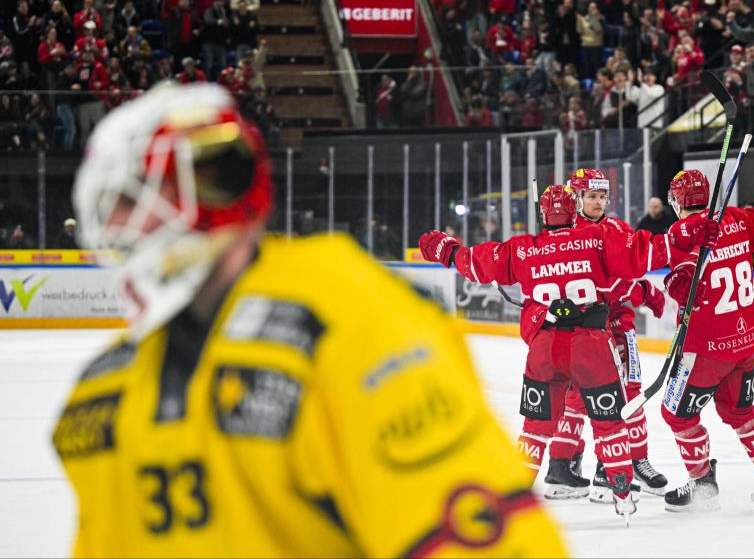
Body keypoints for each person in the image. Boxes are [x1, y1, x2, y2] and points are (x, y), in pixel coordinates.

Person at [53, 82, 567, 557]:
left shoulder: (354, 322)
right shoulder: (100, 391)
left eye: (127, 199)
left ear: (207, 188)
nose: (112, 226)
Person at [419, 185, 720, 522]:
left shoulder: (523, 248)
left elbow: (477, 264)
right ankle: (621, 494)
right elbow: (648, 252)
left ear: (544, 213)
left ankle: (514, 496)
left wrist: (447, 251)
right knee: (609, 422)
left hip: (545, 347)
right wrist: (688, 233)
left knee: (534, 429)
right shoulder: (598, 238)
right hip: (590, 345)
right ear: (575, 207)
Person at [659, 168, 754, 513]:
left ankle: (702, 487)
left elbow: (684, 279)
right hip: (742, 344)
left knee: (676, 414)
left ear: (678, 202)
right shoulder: (739, 218)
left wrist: (677, 284)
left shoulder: (682, 232)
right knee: (741, 412)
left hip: (704, 350)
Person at [544, 169, 669, 503]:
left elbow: (632, 266)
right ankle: (611, 470)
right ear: (576, 198)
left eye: (601, 197)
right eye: (591, 197)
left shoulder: (614, 228)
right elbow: (614, 284)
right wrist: (645, 291)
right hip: (594, 327)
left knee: (611, 396)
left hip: (612, 328)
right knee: (609, 399)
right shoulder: (574, 234)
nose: (598, 203)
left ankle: (565, 467)